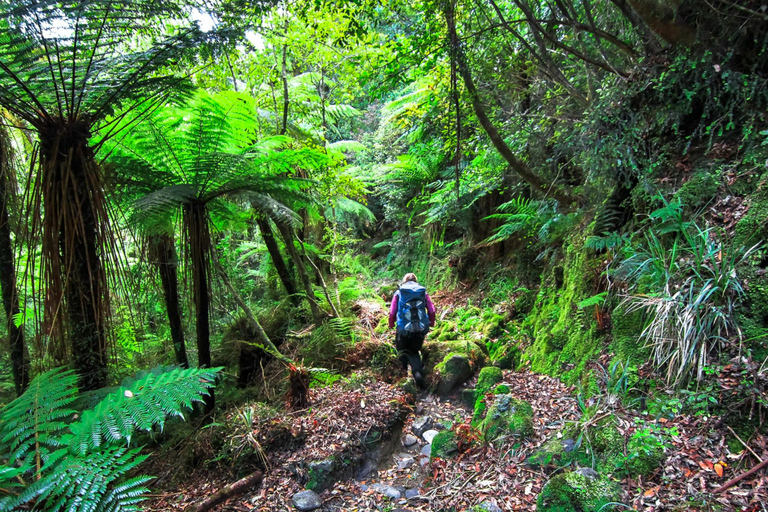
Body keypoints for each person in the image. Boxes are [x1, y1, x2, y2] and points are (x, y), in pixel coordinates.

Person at [388, 273, 435, 388]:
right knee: (414, 352)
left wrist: (391, 324)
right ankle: (418, 374)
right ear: (416, 281)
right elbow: (432, 310)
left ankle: (403, 382)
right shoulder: (423, 293)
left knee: (402, 352)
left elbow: (392, 312)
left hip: (403, 329)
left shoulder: (399, 293)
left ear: (404, 281)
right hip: (419, 329)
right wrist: (431, 323)